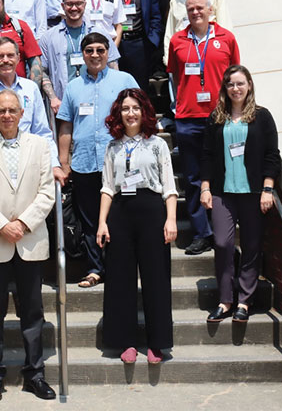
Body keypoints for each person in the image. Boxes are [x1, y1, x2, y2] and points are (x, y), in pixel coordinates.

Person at [0, 88, 57, 402]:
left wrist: (23, 223)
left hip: (30, 240)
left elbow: (47, 192)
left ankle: (35, 374)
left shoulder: (41, 146)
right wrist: (2, 225)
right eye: (1, 111)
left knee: (33, 312)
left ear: (21, 113)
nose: (6, 115)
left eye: (12, 110)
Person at [96, 88, 177, 365]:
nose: (130, 113)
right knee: (120, 280)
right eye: (125, 108)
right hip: (121, 212)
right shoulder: (113, 147)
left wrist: (171, 219)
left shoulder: (157, 144)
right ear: (118, 113)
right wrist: (102, 223)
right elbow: (107, 187)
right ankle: (125, 341)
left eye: (135, 108)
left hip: (151, 211)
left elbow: (169, 187)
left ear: (144, 112)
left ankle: (157, 343)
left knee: (156, 278)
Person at [56, 31, 137, 289]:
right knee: (90, 219)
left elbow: (139, 116)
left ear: (108, 52)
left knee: (119, 217)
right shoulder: (73, 87)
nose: (94, 55)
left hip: (121, 162)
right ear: (82, 55)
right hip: (84, 164)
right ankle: (95, 268)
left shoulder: (124, 81)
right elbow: (66, 126)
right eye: (89, 50)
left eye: (100, 50)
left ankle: (120, 266)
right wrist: (64, 162)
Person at [201, 65, 280, 324]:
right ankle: (225, 301)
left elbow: (271, 154)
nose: (235, 89)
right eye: (231, 84)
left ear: (249, 86)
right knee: (223, 244)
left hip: (253, 192)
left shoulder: (262, 117)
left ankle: (244, 301)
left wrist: (268, 188)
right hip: (223, 192)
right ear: (225, 88)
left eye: (240, 83)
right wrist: (205, 187)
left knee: (252, 245)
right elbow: (208, 157)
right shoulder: (216, 118)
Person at [167, 0, 240, 256]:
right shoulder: (177, 40)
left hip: (220, 116)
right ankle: (201, 232)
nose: (195, 12)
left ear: (211, 10)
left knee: (223, 174)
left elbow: (236, 77)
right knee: (193, 178)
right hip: (188, 118)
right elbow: (174, 76)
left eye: (200, 8)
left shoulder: (226, 38)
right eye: (190, 9)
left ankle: (224, 227)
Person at [0, 37, 62, 184]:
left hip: (27, 164)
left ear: (18, 57)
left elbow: (42, 132)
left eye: (10, 55)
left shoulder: (31, 88)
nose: (5, 60)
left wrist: (54, 164)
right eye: (0, 56)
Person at [38, 0, 121, 110]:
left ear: (85, 5)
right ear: (63, 6)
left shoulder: (100, 34)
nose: (74, 8)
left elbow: (113, 66)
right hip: (63, 104)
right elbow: (42, 71)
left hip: (97, 100)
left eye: (78, 4)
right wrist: (53, 98)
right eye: (69, 4)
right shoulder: (48, 37)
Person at [104, 0, 161, 89]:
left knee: (139, 87)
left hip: (140, 44)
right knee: (115, 85)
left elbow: (155, 16)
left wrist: (151, 41)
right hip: (116, 42)